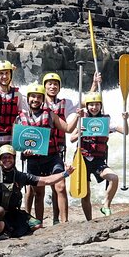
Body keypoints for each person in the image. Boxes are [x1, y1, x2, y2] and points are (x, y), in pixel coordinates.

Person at [15, 83, 80, 226]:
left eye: (39, 97)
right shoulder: (21, 117)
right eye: (33, 97)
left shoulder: (50, 114)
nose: (35, 100)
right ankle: (39, 223)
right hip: (33, 160)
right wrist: (23, 150)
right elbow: (18, 142)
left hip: (52, 157)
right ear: (28, 98)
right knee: (39, 193)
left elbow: (68, 128)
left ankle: (64, 222)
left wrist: (77, 116)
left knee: (60, 187)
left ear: (43, 99)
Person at [41, 71, 99, 224]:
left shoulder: (64, 103)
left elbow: (82, 104)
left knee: (59, 186)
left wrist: (93, 85)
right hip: (39, 150)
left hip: (57, 149)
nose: (52, 86)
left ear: (59, 87)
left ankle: (60, 220)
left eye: (55, 84)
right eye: (49, 84)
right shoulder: (37, 101)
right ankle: (38, 220)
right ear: (44, 86)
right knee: (36, 190)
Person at [0, 144, 75, 238]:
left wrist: (65, 174)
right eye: (4, 158)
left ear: (14, 159)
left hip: (12, 212)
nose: (7, 160)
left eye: (10, 157)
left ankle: (9, 229)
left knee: (37, 225)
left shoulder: (20, 176)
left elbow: (46, 180)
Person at [71, 92, 129, 219]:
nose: (94, 107)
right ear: (87, 106)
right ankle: (89, 220)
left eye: (97, 104)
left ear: (100, 106)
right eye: (91, 105)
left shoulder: (105, 121)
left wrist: (125, 120)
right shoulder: (82, 120)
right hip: (82, 160)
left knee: (114, 178)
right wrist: (80, 133)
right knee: (85, 194)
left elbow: (125, 132)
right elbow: (72, 139)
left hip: (98, 160)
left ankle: (106, 205)